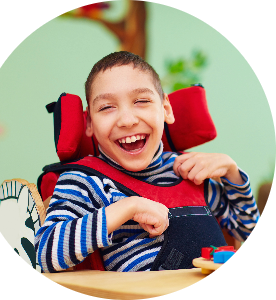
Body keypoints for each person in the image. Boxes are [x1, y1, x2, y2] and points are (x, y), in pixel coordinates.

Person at [35, 51, 259, 273]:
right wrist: (127, 208)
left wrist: (233, 174)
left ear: (166, 109)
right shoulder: (85, 180)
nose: (127, 120)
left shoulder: (190, 171)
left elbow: (246, 230)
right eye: (106, 107)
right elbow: (43, 253)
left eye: (141, 101)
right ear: (89, 123)